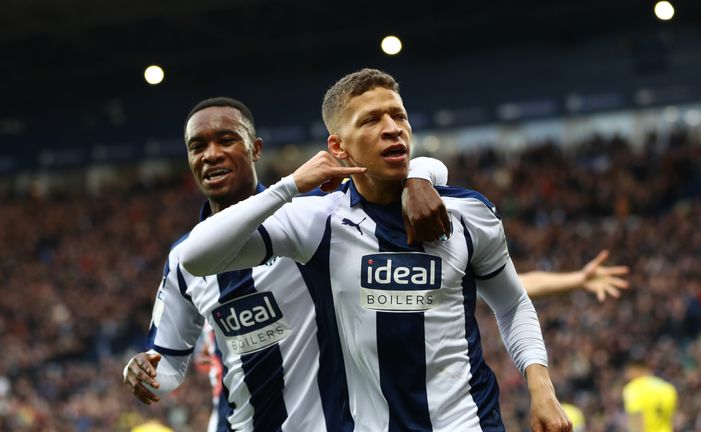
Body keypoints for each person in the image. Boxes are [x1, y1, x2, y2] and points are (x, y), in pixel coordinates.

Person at [179, 69, 572, 431]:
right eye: (370, 120)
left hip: (469, 422)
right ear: (338, 146)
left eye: (398, 116)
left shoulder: (469, 212)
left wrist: (542, 389)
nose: (392, 129)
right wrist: (290, 186)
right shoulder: (315, 222)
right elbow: (196, 257)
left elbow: (511, 304)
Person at [121, 96, 451, 431]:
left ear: (256, 148)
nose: (211, 154)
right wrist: (144, 372)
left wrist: (419, 178)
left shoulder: (313, 221)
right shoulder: (184, 258)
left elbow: (407, 168)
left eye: (226, 139)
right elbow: (167, 367)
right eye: (198, 146)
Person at [622, 357, 678, 432]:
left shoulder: (633, 388)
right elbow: (673, 419)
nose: (627, 376)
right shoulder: (668, 388)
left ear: (634, 370)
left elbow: (636, 419)